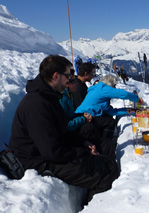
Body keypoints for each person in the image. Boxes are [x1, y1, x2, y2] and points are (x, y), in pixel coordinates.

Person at [9, 55, 119, 204]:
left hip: (50, 153)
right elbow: (53, 151)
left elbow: (63, 131)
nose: (69, 79)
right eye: (68, 75)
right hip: (37, 161)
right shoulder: (37, 105)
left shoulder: (50, 98)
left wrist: (84, 143)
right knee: (108, 170)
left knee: (105, 148)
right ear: (56, 76)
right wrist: (84, 152)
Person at [75, 74, 143, 117]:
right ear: (110, 84)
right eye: (114, 85)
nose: (115, 88)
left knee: (109, 121)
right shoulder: (103, 88)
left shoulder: (99, 90)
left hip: (85, 113)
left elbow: (109, 111)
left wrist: (126, 110)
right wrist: (137, 99)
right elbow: (122, 94)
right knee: (109, 123)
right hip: (84, 115)